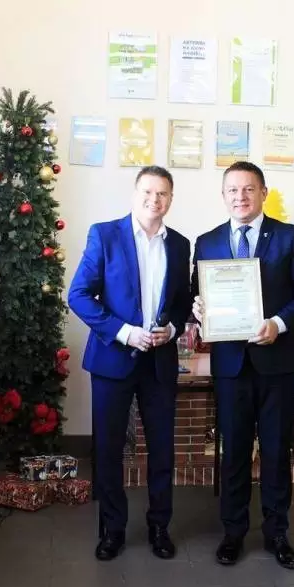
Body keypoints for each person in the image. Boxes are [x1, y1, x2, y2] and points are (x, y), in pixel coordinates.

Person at [191, 161, 294, 569]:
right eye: (232, 190)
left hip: (277, 362)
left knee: (276, 451)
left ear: (263, 192)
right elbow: (198, 295)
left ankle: (277, 533)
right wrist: (199, 309)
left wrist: (278, 323)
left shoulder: (290, 237)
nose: (241, 197)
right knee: (233, 451)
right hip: (231, 365)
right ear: (223, 195)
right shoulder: (207, 242)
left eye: (249, 189)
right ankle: (233, 533)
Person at [68, 166, 191, 561]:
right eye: (148, 192)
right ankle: (112, 530)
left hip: (160, 362)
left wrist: (172, 329)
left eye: (162, 193)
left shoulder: (180, 245)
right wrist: (124, 332)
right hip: (112, 360)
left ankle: (159, 527)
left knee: (162, 449)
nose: (154, 200)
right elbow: (79, 295)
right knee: (108, 449)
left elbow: (182, 302)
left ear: (171, 199)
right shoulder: (105, 235)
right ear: (135, 194)